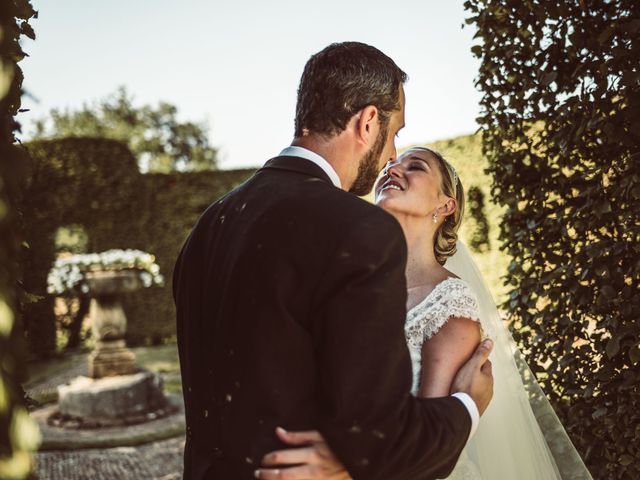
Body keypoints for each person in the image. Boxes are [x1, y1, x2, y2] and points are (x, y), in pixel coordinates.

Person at [173, 42, 494, 480]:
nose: (390, 156)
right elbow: (383, 443)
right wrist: (468, 405)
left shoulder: (211, 224)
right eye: (394, 132)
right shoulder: (355, 228)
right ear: (367, 122)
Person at [259, 147, 593, 480]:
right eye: (389, 166)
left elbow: (431, 443)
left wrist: (345, 467)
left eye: (414, 166)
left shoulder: (449, 301)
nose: (391, 171)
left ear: (446, 205)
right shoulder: (348, 285)